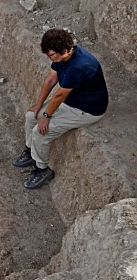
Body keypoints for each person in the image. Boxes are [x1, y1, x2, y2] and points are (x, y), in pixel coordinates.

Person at [12, 29, 108, 190]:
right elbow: (50, 80)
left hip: (86, 110)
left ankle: (42, 169)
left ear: (63, 51)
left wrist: (46, 116)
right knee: (30, 116)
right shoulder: (63, 55)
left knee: (40, 131)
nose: (48, 59)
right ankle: (30, 151)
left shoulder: (79, 65)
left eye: (50, 55)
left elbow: (60, 95)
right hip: (71, 101)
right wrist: (38, 105)